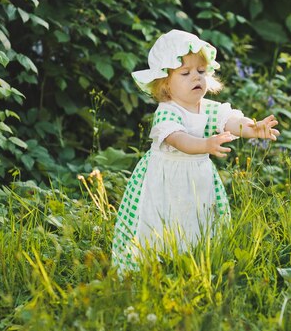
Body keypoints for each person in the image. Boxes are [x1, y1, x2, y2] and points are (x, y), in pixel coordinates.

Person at [111, 29, 280, 273]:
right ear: (165, 82)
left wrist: (253, 129)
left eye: (201, 71)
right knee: (162, 218)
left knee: (196, 217)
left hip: (196, 179)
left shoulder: (205, 108)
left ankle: (194, 259)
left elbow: (229, 121)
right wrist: (205, 145)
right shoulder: (168, 111)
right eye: (186, 73)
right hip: (165, 179)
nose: (196, 78)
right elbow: (178, 139)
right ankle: (154, 264)